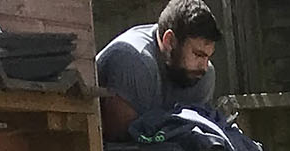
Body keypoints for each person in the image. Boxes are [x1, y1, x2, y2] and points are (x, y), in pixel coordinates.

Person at [95, 1, 222, 143]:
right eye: (198, 55)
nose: (204, 67)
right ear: (169, 41)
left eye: (208, 56)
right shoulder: (133, 60)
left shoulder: (203, 76)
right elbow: (120, 146)